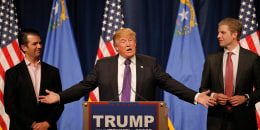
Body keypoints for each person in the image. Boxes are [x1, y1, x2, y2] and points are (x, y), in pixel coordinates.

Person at [39, 28, 216, 108]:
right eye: (123, 41)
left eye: (131, 40)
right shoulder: (103, 65)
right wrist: (60, 97)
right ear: (116, 47)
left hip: (143, 121)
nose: (128, 44)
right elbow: (84, 86)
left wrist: (195, 96)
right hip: (110, 122)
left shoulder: (149, 63)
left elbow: (170, 84)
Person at [199, 17, 260, 130]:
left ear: (234, 35)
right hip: (217, 122)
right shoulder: (211, 59)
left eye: (222, 32)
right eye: (218, 33)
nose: (218, 36)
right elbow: (203, 88)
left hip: (244, 121)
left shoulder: (252, 58)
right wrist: (214, 96)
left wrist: (245, 98)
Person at [4, 29, 64, 130]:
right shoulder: (12, 73)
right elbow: (10, 106)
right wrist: (32, 124)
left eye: (40, 43)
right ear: (24, 47)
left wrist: (47, 123)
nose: (39, 46)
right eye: (35, 44)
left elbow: (59, 102)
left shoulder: (53, 71)